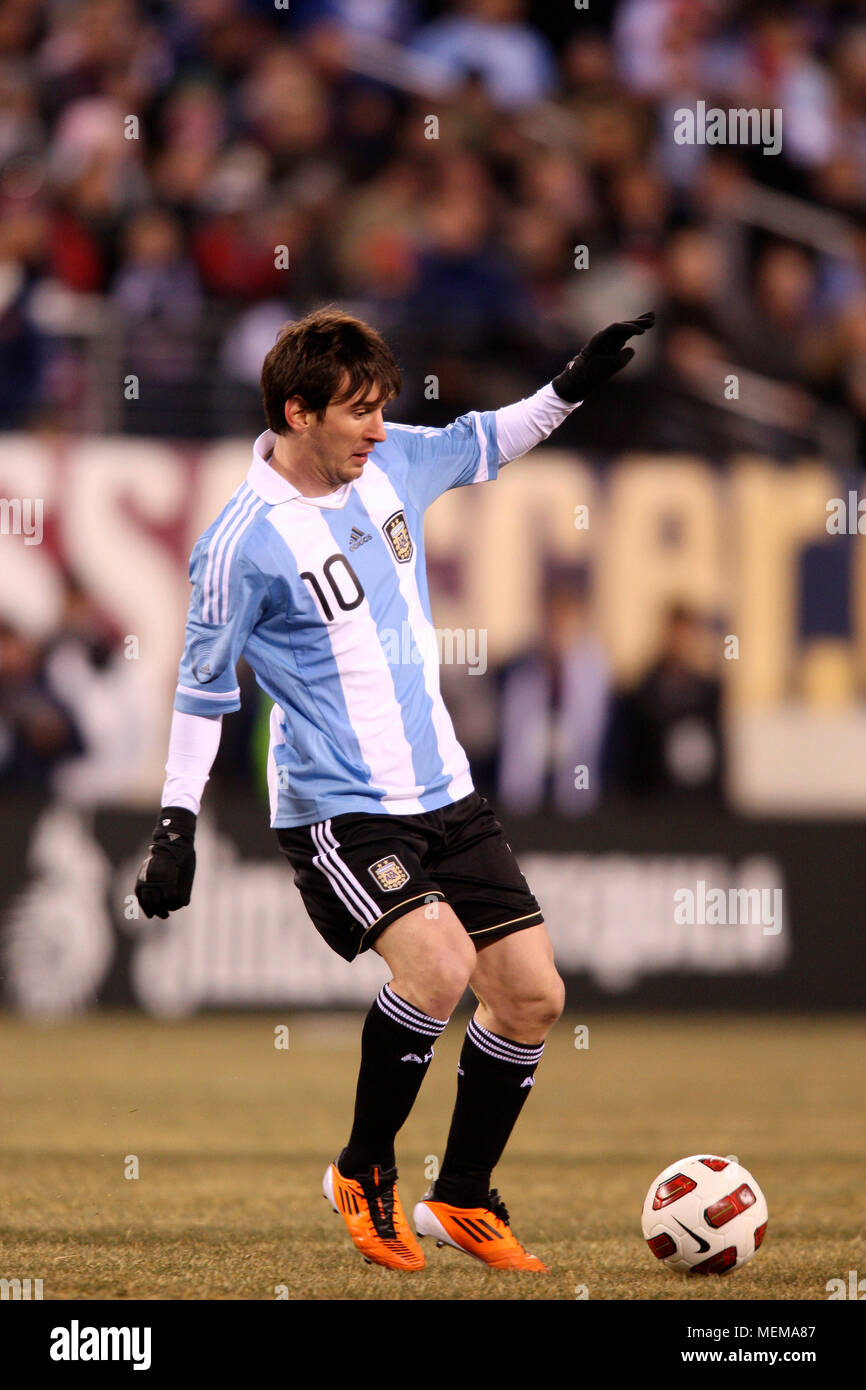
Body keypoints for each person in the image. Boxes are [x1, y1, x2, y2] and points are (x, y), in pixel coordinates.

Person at [134, 304, 653, 1273]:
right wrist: (175, 824)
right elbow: (203, 692)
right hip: (340, 804)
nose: (380, 428)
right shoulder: (240, 541)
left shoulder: (392, 464)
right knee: (436, 967)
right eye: (358, 412)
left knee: (533, 995)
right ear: (296, 411)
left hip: (444, 791)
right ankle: (362, 1169)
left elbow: (483, 441)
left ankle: (459, 1195)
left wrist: (569, 383)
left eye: (383, 408)